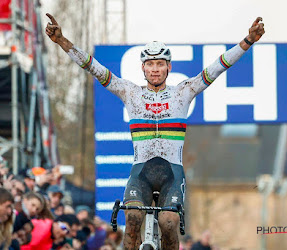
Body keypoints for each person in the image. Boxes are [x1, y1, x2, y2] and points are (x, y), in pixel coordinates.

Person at [45, 13, 265, 250]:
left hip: (172, 173)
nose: (155, 69)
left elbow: (218, 66)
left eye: (160, 64)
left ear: (168, 67)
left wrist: (248, 41)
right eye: (150, 64)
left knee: (169, 223)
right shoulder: (130, 92)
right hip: (141, 172)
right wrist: (62, 41)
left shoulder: (184, 91)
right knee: (131, 219)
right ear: (143, 68)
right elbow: (94, 68)